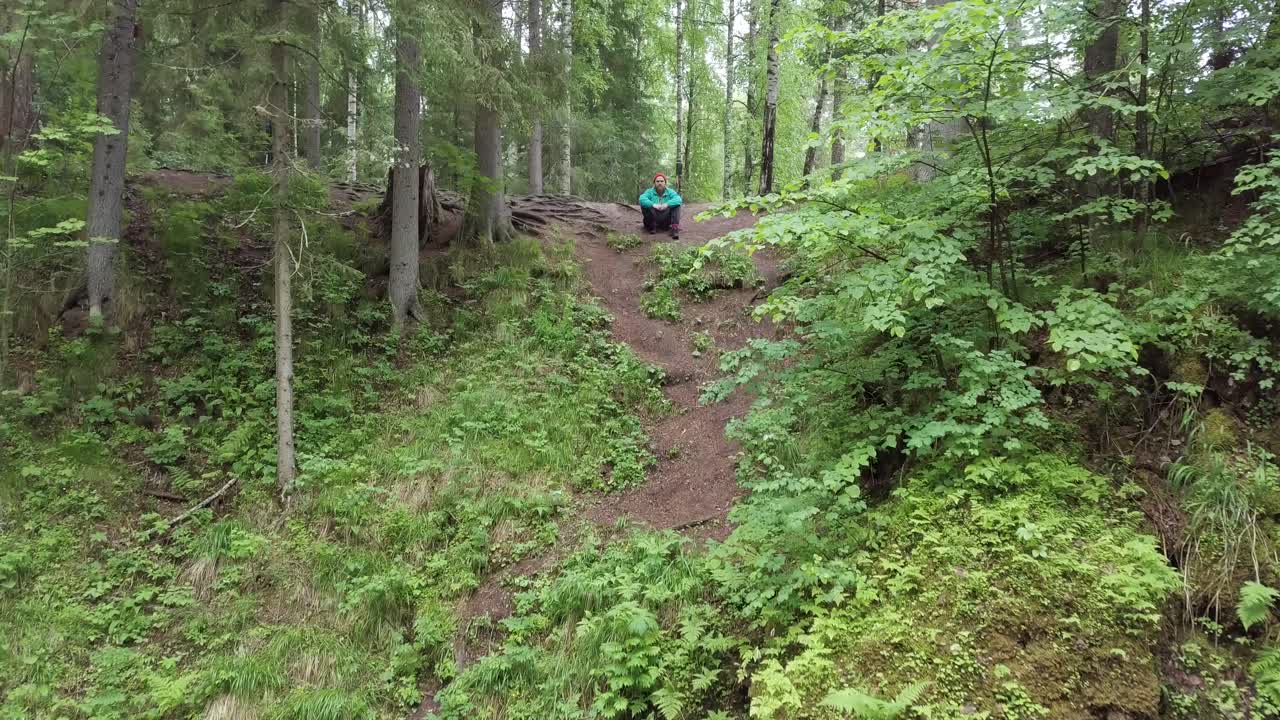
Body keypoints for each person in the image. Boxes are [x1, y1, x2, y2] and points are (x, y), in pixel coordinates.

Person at [638, 173, 682, 239]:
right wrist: (653, 204)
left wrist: (667, 204)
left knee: (676, 205)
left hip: (665, 219)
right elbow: (641, 199)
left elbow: (678, 199)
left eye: (662, 181)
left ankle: (675, 229)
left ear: (665, 183)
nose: (660, 183)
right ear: (654, 183)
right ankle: (653, 227)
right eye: (657, 181)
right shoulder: (649, 191)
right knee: (646, 205)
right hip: (652, 219)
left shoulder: (670, 191)